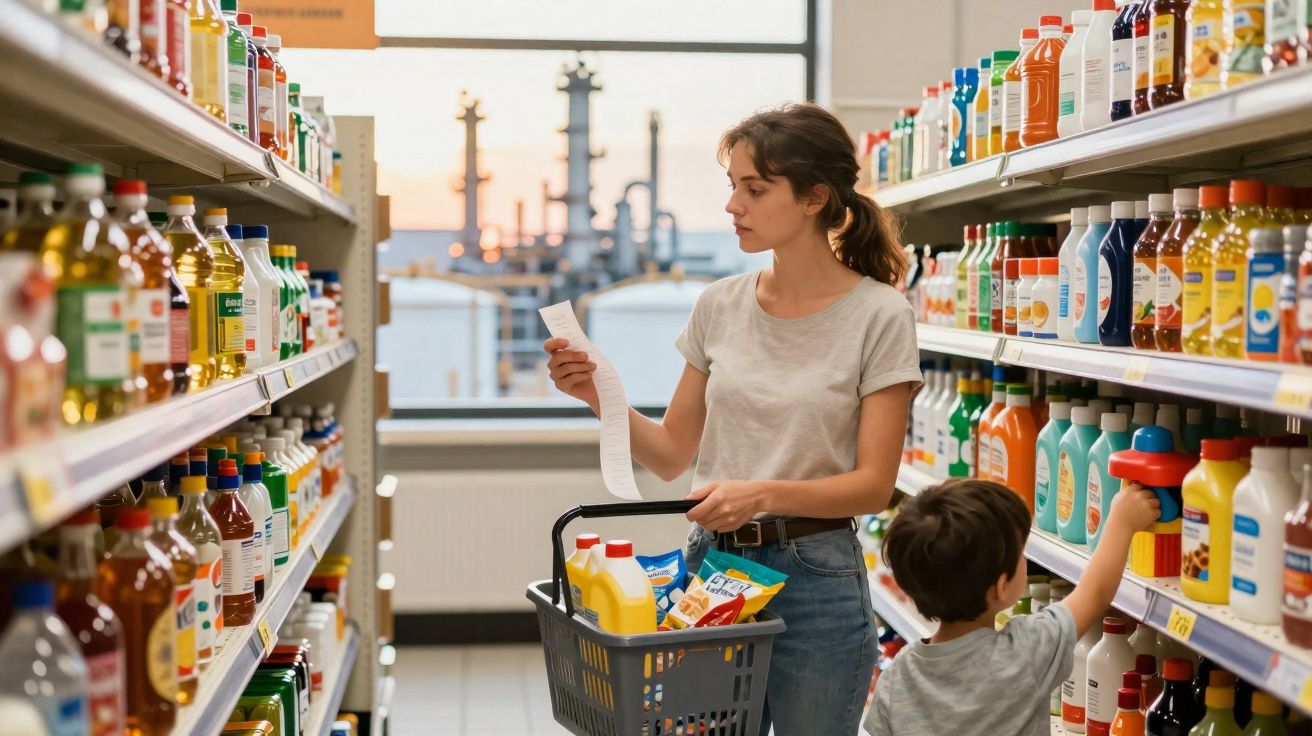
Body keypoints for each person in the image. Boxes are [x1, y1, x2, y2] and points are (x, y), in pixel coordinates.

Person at [544, 103, 920, 734]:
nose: (732, 207)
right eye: (733, 187)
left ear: (813, 198)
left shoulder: (879, 315)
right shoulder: (719, 305)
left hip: (817, 580)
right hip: (714, 571)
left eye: (754, 189)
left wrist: (760, 495)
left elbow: (874, 485)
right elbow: (670, 453)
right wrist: (596, 395)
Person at [866, 478, 1161, 735]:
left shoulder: (899, 675)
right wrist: (1122, 521)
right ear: (1002, 586)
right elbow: (1095, 593)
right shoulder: (1026, 650)